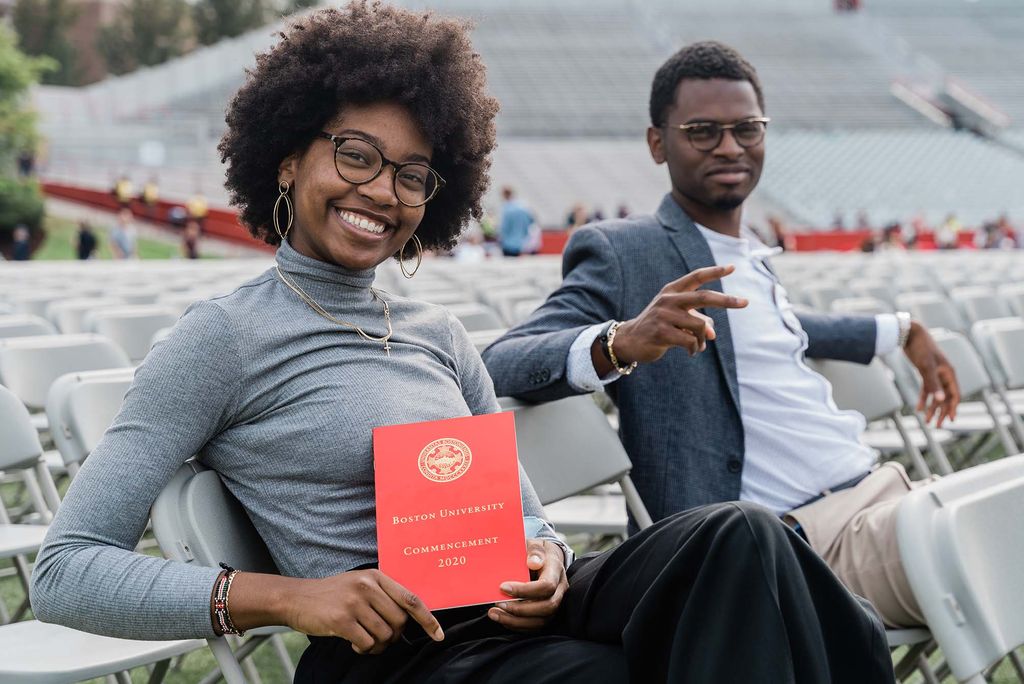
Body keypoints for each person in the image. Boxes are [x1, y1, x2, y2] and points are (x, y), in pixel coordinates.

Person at [31, 9, 893, 683]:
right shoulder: (221, 336)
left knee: (740, 536)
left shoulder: (439, 333)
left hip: (515, 617)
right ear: (287, 158)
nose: (383, 191)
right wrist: (290, 600)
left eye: (412, 174)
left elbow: (527, 520)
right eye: (357, 155)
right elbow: (66, 572)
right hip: (404, 652)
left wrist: (547, 559)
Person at [483, 41, 960, 630]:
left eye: (747, 128)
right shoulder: (627, 250)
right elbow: (499, 362)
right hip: (792, 546)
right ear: (658, 143)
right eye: (703, 131)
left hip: (881, 495)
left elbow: (777, 331)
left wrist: (902, 329)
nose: (730, 146)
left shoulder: (747, 255)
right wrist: (620, 342)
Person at [498, 186, 533, 257]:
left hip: (508, 244)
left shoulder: (507, 209)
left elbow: (504, 228)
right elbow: (531, 222)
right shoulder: (523, 207)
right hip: (521, 243)